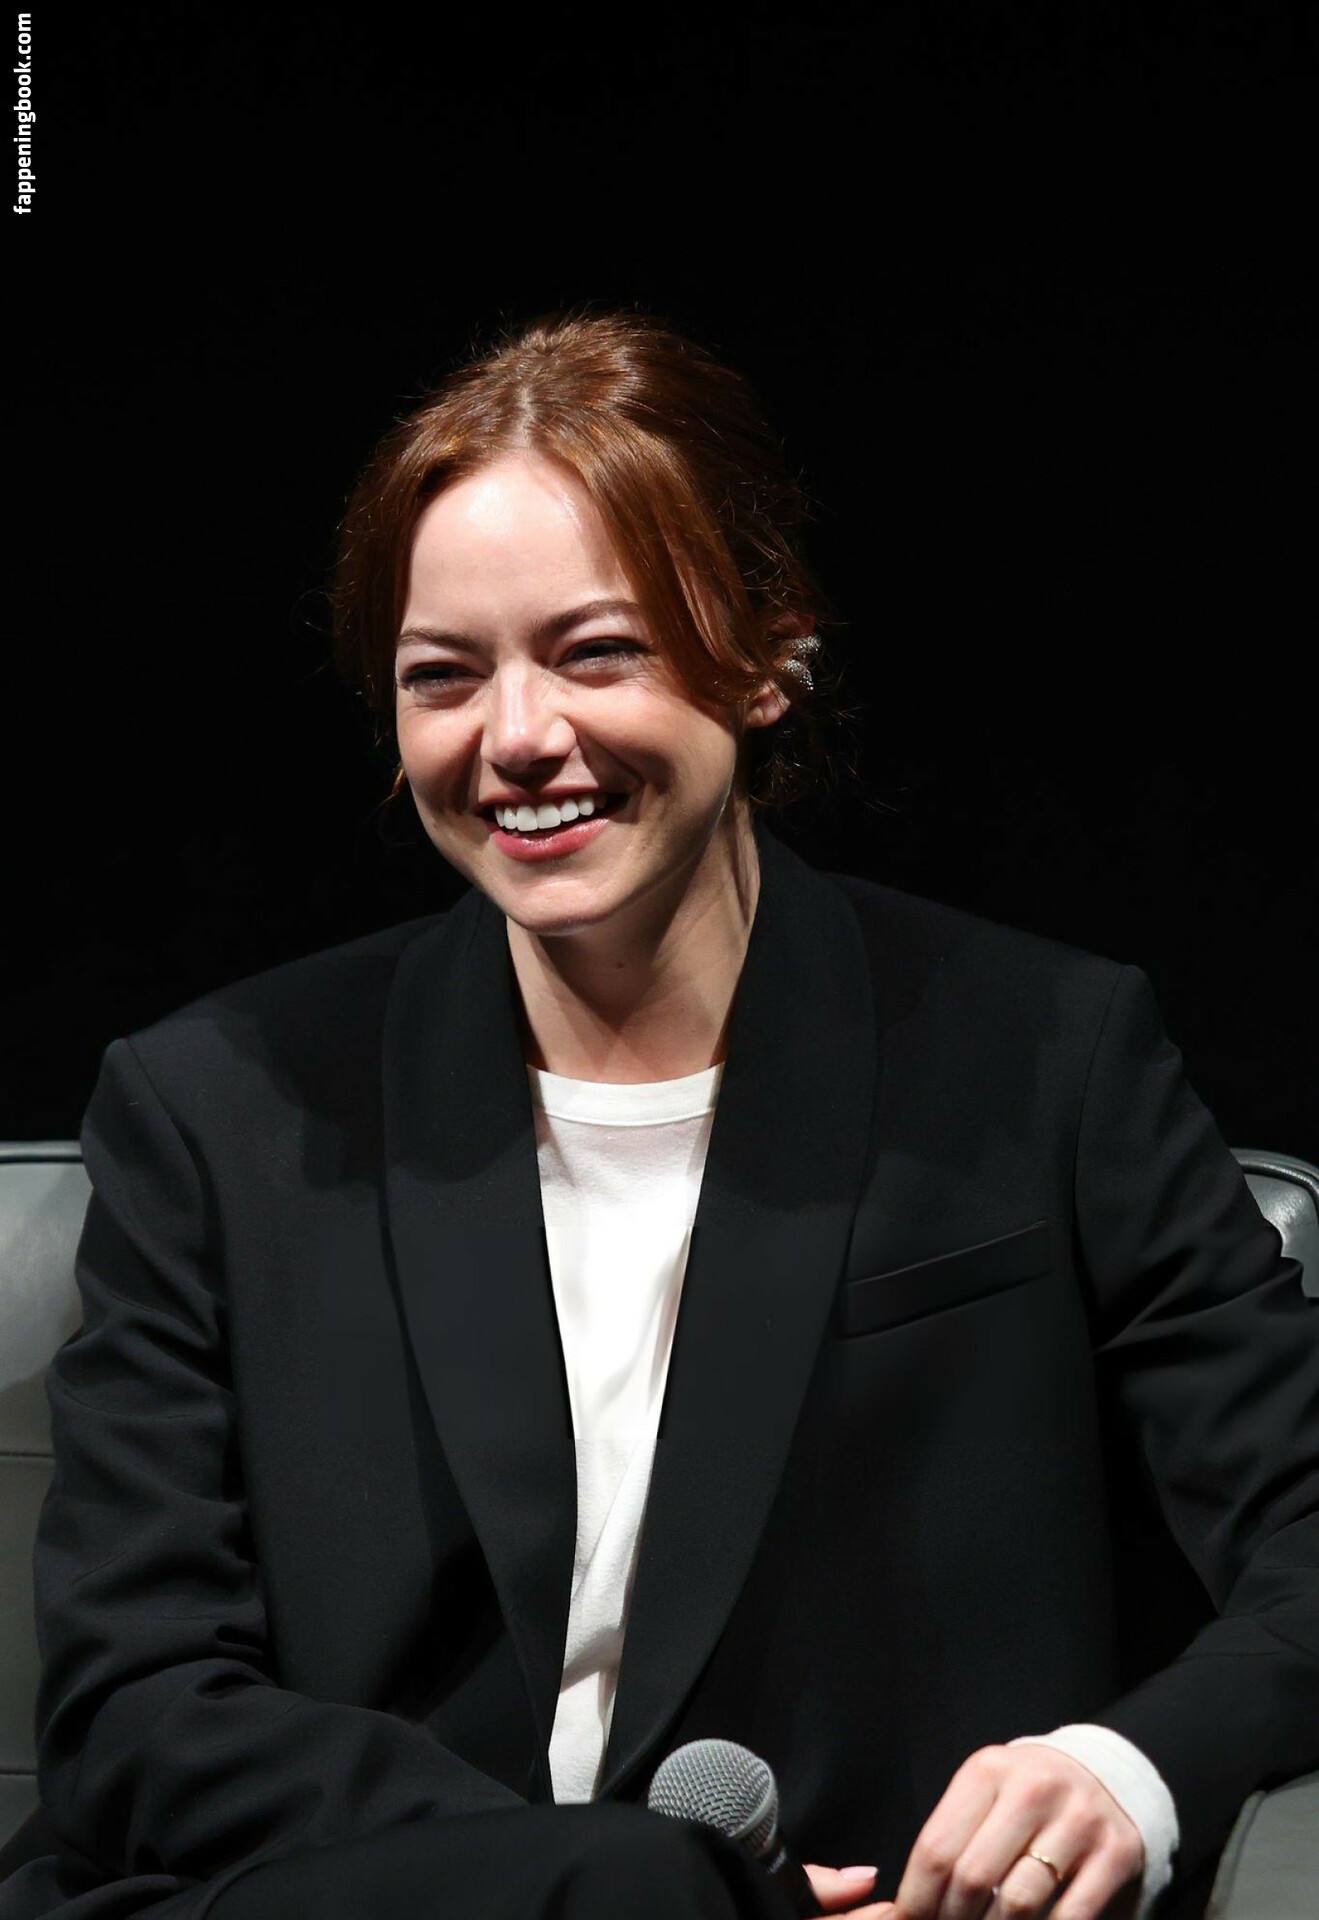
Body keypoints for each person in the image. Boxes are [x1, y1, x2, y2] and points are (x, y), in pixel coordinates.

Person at [4, 308, 1317, 1920]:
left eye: (595, 652)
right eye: (442, 677)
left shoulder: (1044, 1058)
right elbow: (131, 1706)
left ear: (764, 656)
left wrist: (1131, 1769)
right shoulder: (218, 1109)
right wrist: (613, 1886)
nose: (517, 738)